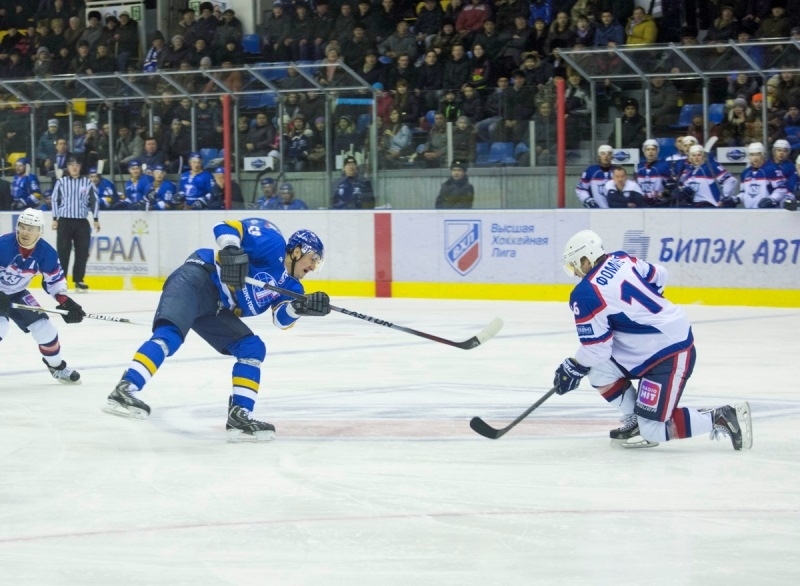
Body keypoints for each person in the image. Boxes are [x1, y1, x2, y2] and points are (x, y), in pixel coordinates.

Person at [102, 219, 331, 441]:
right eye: (313, 259)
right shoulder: (273, 243)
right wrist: (231, 249)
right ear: (297, 251)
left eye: (317, 263)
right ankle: (126, 388)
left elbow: (281, 320)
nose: (313, 266)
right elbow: (226, 226)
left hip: (218, 307)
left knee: (252, 348)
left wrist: (299, 307)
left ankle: (240, 416)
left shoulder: (292, 286)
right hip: (197, 279)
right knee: (170, 336)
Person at [553, 229, 753, 450]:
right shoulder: (621, 259)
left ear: (585, 258)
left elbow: (597, 349)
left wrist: (573, 366)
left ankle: (722, 417)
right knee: (600, 371)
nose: (575, 272)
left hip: (670, 352)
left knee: (653, 430)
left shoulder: (585, 293)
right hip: (648, 346)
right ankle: (637, 420)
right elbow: (660, 274)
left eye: (574, 265)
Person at [0, 208, 86, 384]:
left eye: (31, 228)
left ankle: (57, 367)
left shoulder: (46, 252)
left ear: (40, 231)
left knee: (45, 329)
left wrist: (65, 302)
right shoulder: (3, 244)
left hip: (17, 293)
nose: (25, 232)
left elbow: (54, 280)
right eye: (22, 227)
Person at [51, 156, 100, 291]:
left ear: (80, 167)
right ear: (67, 167)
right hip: (65, 221)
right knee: (63, 252)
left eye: (77, 164)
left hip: (81, 222)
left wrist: (96, 219)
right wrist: (54, 218)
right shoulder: (61, 182)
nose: (74, 167)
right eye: (71, 164)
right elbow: (55, 199)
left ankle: (79, 279)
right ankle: (61, 281)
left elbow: (94, 200)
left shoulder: (87, 182)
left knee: (82, 252)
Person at [724, 142, 788, 208]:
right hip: (750, 212)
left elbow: (782, 189)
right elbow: (744, 194)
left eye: (758, 154)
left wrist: (772, 199)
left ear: (763, 155)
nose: (755, 158)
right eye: (752, 155)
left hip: (769, 211)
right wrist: (735, 199)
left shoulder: (772, 169)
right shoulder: (745, 173)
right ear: (749, 156)